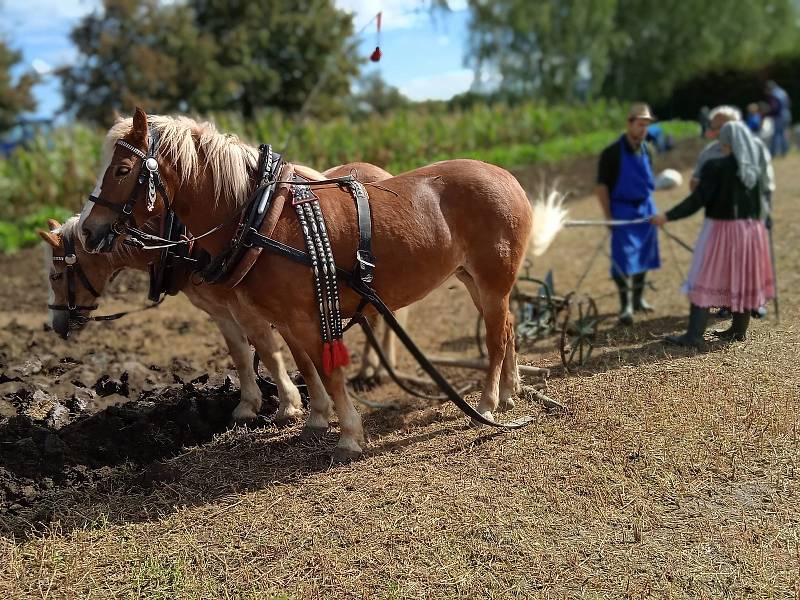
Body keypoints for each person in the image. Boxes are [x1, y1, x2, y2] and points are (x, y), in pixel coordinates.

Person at [650, 121, 775, 346]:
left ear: (724, 142)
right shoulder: (753, 170)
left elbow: (697, 200)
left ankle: (694, 336)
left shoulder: (715, 166)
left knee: (704, 275)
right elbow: (762, 202)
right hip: (751, 231)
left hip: (723, 229)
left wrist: (666, 216)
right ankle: (738, 331)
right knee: (742, 277)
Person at [689, 105, 775, 319]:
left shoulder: (755, 147)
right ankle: (728, 301)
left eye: (723, 126)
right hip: (722, 217)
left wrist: (765, 212)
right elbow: (696, 181)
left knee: (750, 260)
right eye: (716, 127)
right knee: (725, 261)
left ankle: (754, 301)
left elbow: (766, 183)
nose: (719, 131)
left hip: (751, 217)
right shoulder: (709, 153)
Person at [596, 103, 661, 325]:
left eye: (647, 125)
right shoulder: (611, 153)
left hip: (646, 208)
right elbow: (601, 187)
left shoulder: (649, 150)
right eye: (640, 124)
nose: (644, 129)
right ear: (629, 124)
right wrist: (608, 215)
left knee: (645, 255)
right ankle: (625, 305)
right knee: (622, 259)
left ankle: (638, 298)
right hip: (622, 210)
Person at [765, 80, 791, 157]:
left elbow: (774, 108)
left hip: (779, 116)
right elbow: (789, 102)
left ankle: (774, 152)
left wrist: (768, 113)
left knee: (777, 134)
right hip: (787, 114)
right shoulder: (783, 92)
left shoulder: (774, 94)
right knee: (784, 133)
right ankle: (784, 151)